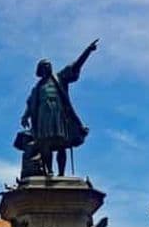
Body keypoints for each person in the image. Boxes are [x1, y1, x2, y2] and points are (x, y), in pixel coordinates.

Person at [21, 40, 98, 176]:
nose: (48, 67)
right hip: (44, 118)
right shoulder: (37, 88)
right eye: (45, 66)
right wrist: (25, 116)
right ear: (40, 70)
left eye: (49, 65)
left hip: (59, 116)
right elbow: (31, 103)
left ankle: (61, 173)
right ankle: (49, 170)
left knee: (62, 144)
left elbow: (75, 66)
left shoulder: (59, 78)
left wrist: (87, 52)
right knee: (45, 145)